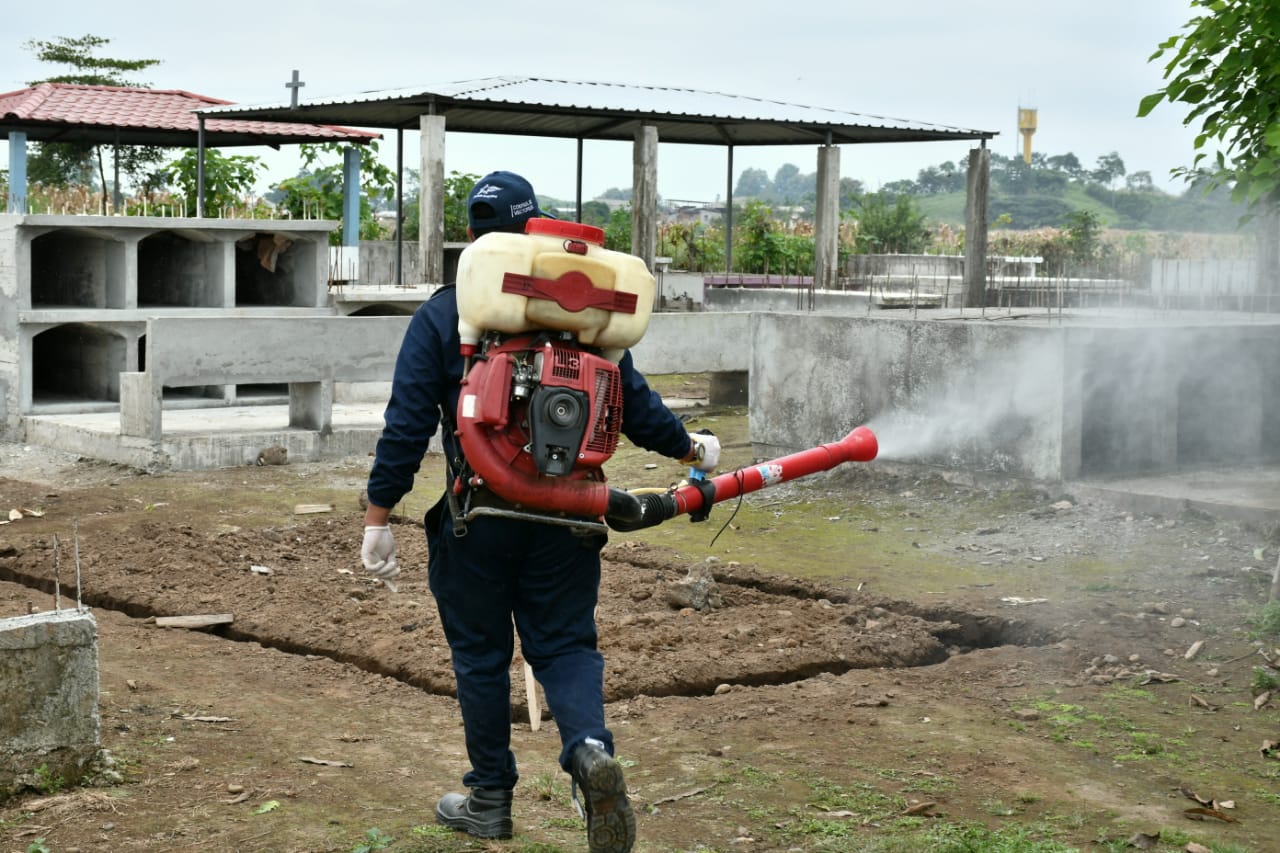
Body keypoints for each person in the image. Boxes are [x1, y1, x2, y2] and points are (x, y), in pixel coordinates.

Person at [359, 170, 719, 852]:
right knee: (566, 645)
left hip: (479, 516)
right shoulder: (585, 316)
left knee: (481, 655)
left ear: (471, 237)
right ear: (536, 230)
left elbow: (404, 427)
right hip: (573, 517)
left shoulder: (445, 314)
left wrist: (379, 517)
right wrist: (690, 448)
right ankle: (588, 750)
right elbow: (636, 407)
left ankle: (490, 800)